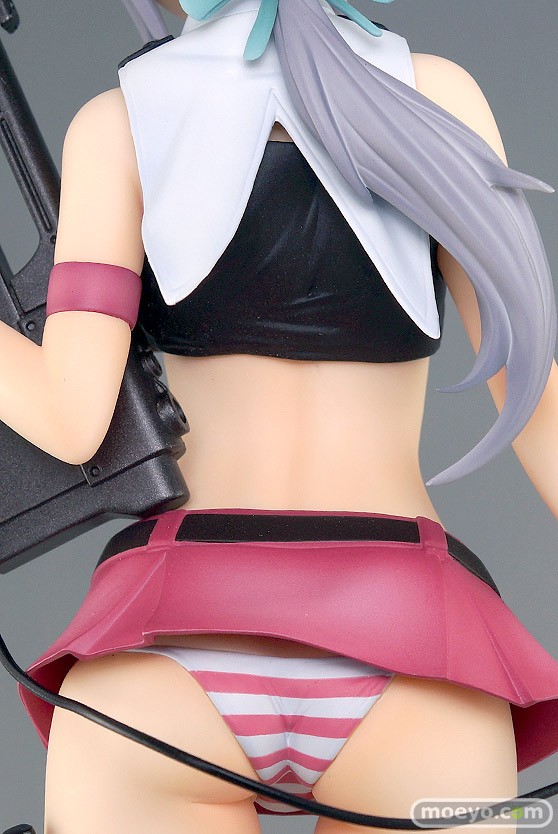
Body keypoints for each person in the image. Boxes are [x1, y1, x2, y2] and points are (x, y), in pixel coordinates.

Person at [2, 0, 558, 831]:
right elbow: (540, 402)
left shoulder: (120, 122)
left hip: (166, 652)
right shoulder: (435, 94)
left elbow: (70, 416)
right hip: (418, 649)